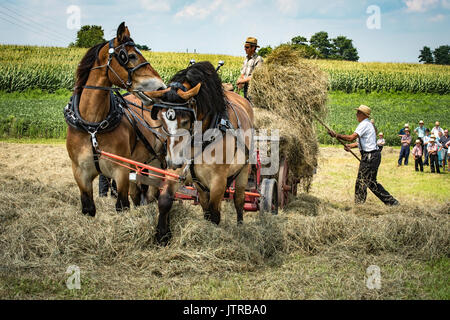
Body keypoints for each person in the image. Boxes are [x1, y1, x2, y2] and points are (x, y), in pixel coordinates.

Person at [328, 105, 399, 206]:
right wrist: (350, 146)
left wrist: (336, 135)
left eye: (358, 113)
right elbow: (359, 142)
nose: (356, 114)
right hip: (373, 155)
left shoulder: (364, 124)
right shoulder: (367, 125)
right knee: (371, 183)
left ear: (363, 115)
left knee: (361, 182)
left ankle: (359, 206)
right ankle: (392, 202)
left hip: (370, 156)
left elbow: (351, 137)